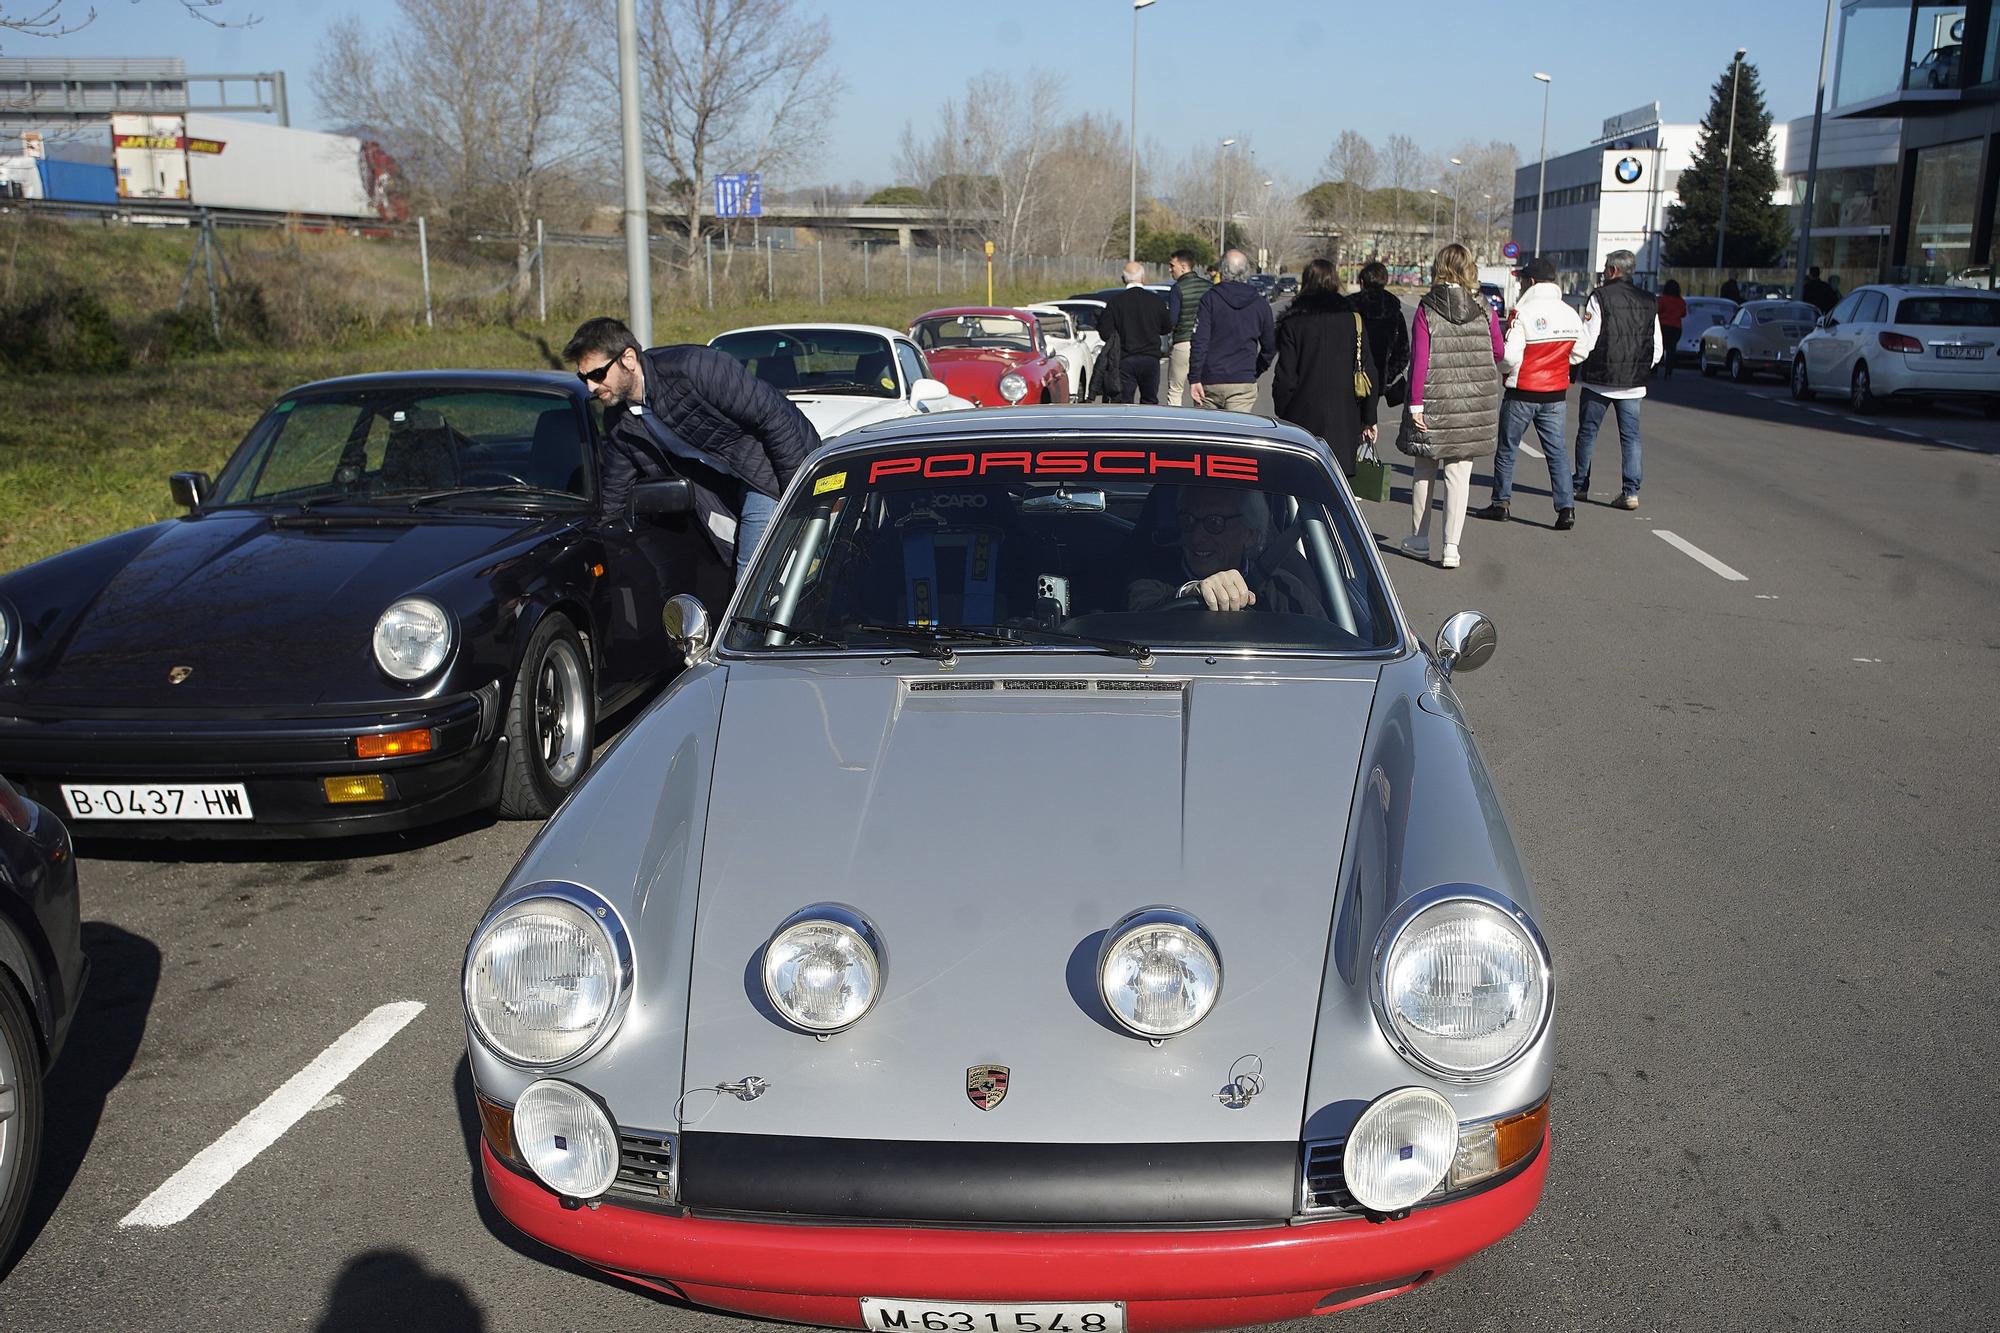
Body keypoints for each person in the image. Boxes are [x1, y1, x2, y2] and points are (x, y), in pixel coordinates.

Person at [564, 316, 820, 579]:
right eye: (583, 377)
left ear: (628, 359)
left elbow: (776, 418)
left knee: (751, 578)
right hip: (721, 489)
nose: (591, 386)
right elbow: (616, 489)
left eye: (597, 374)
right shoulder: (619, 420)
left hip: (768, 470)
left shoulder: (693, 368)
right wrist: (602, 543)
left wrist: (804, 495)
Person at [1396, 242, 1503, 571]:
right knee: (1459, 475)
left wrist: (1415, 404)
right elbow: (1498, 351)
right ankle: (1451, 548)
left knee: (1425, 470)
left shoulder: (1427, 309)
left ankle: (1419, 538)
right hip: (1471, 403)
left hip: (1432, 400)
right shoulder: (1484, 307)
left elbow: (1421, 361)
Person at [1473, 256, 1583, 529]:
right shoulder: (1569, 312)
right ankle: (1566, 508)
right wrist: (1557, 363)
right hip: (1555, 393)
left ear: (1530, 282)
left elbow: (1509, 357)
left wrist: (1502, 368)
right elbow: (1581, 351)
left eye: (1522, 280)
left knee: (1508, 450)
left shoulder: (1522, 313)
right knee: (1557, 452)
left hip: (1522, 391)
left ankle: (1501, 504)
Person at [1127, 486, 1324, 615]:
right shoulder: (1149, 575)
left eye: (1214, 523)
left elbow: (1324, 646)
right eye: (1188, 520)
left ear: (1250, 534)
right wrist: (1191, 591)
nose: (1196, 537)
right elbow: (1135, 618)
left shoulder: (1284, 589)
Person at [1570, 249, 1662, 511]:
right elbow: (1656, 347)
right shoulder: (1648, 300)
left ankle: (1580, 485)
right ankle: (1630, 491)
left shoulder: (1600, 297)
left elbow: (1588, 338)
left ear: (1612, 271)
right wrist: (1642, 368)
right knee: (1631, 437)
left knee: (1588, 433)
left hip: (1599, 379)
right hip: (1633, 383)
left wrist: (1572, 364)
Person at [1271, 257, 1377, 476]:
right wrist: (1369, 419)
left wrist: (1284, 414)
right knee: (1337, 486)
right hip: (1345, 419)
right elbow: (1368, 371)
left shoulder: (1293, 323)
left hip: (1301, 419)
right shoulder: (1353, 320)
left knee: (1301, 484)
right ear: (1334, 281)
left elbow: (1285, 378)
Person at [1188, 250, 1276, 412]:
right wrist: (1255, 369)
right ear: (1247, 272)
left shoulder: (1210, 299)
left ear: (1222, 271)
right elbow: (1270, 346)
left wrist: (1194, 377)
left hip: (1211, 379)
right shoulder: (1259, 303)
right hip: (1242, 381)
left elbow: (1199, 341)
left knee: (1209, 435)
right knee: (1236, 433)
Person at [1098, 261, 1172, 404]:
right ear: (1143, 277)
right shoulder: (1155, 300)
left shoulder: (1116, 302)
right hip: (1150, 358)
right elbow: (1166, 327)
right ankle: (1147, 425)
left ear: (1123, 279)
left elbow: (1105, 332)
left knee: (1124, 402)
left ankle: (1125, 425)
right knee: (1150, 401)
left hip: (1125, 358)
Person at [1349, 261, 1412, 407]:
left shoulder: (1348, 307)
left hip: (1349, 380)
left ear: (1362, 281)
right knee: (1369, 423)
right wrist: (1386, 376)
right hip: (1377, 382)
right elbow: (1403, 353)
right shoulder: (1394, 311)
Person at [1163, 249, 1213, 406]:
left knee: (1175, 390)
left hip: (1183, 343)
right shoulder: (1209, 287)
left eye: (1172, 266)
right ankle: (1199, 426)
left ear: (1183, 267)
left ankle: (1174, 426)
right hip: (1206, 344)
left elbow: (1172, 320)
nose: (1170, 270)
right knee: (1201, 391)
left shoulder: (1177, 288)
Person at [1655, 279, 1688, 380]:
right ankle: (1668, 371)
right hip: (1676, 327)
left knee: (1659, 347)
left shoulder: (1662, 299)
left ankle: (1655, 368)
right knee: (1671, 349)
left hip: (1663, 326)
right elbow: (1683, 314)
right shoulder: (1681, 301)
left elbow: (1657, 310)